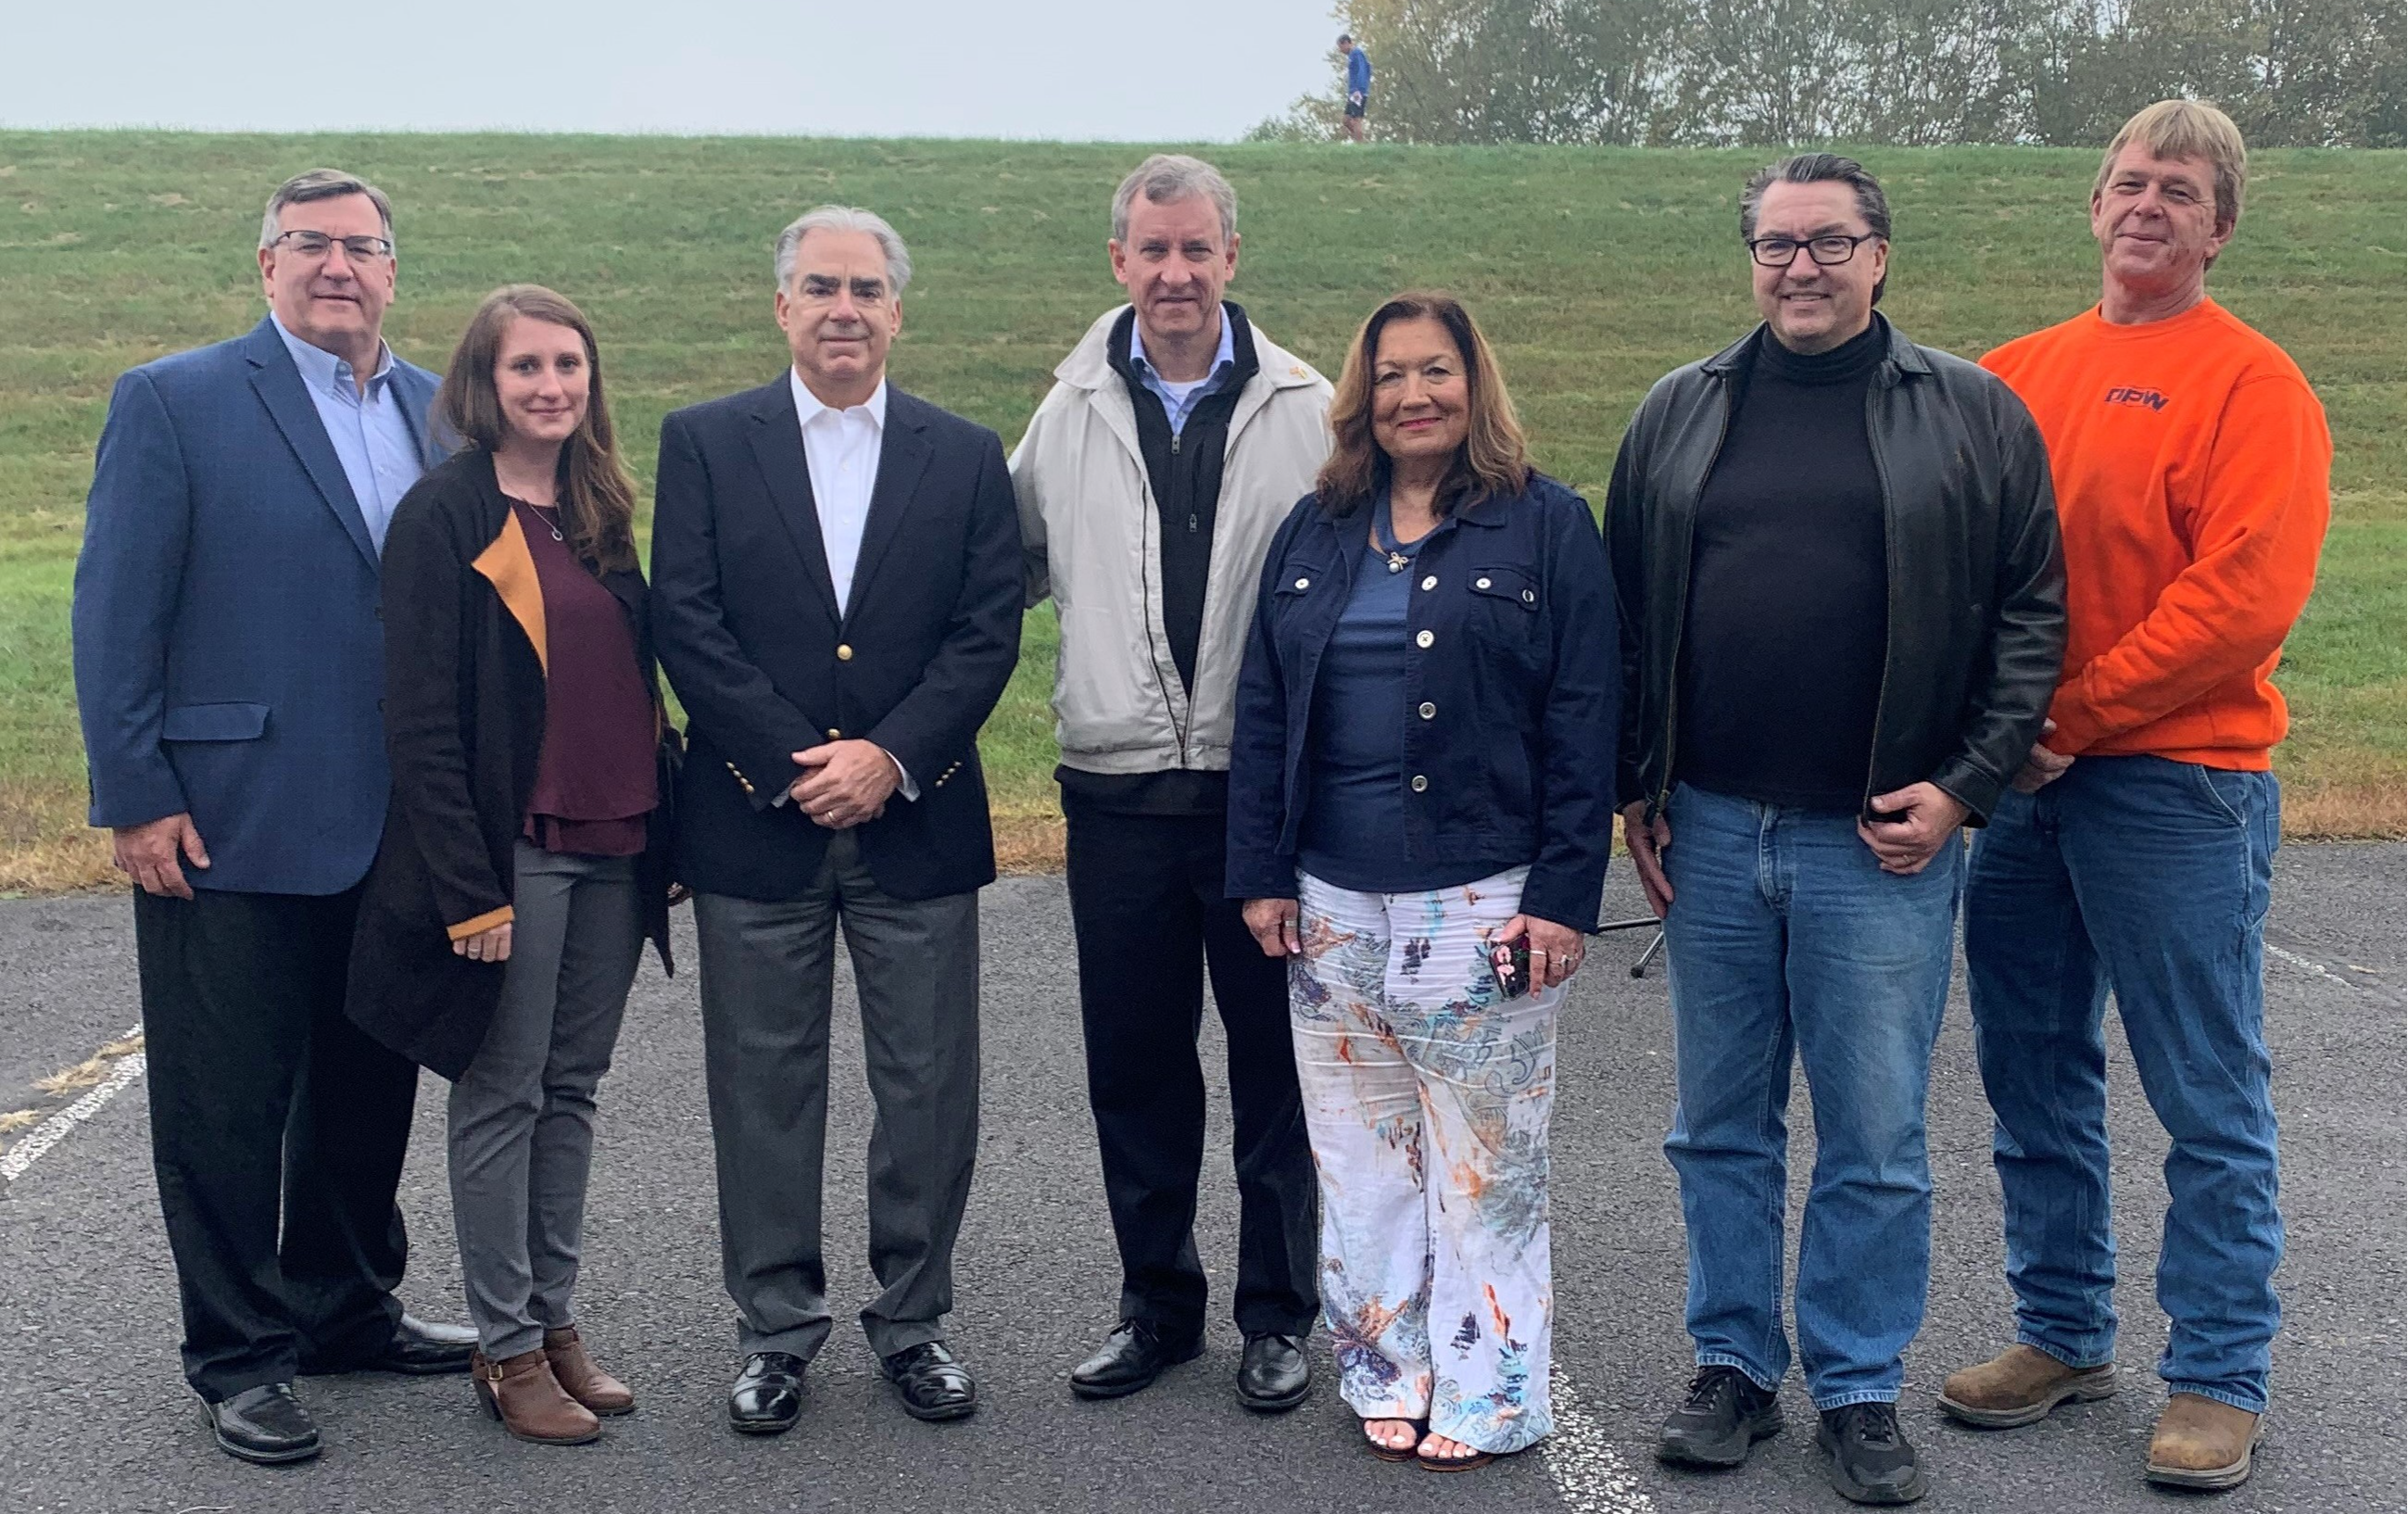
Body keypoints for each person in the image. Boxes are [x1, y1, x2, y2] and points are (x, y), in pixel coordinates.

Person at [1607, 153, 2064, 1505]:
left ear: (1878, 255)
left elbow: (2028, 611)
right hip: (1707, 825)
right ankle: (1732, 1368)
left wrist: (1965, 784)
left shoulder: (1970, 412)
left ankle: (1857, 1388)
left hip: (1878, 843)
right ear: (1745, 256)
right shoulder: (1678, 411)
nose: (1795, 267)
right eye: (1771, 244)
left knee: (1871, 1132)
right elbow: (1626, 614)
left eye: (1825, 242)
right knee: (1718, 1126)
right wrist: (1635, 784)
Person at [1940, 100, 2331, 1494]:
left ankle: (2217, 1372)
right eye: (2125, 181)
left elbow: (2235, 601)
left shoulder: (2252, 386)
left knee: (2203, 1090)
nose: (2145, 203)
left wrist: (2062, 717)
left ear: (2217, 224)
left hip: (2174, 783)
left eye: (2177, 188)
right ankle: (2058, 1330)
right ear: (2092, 205)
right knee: (2029, 1069)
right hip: (2027, 794)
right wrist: (1985, 736)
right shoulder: (2006, 376)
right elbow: (1949, 572)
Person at [70, 169, 475, 1467]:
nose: (339, 265)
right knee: (225, 1103)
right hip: (227, 819)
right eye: (311, 244)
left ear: (394, 273)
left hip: (396, 824)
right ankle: (241, 1355)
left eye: (363, 247)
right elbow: (116, 608)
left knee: (367, 1087)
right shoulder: (175, 400)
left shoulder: (438, 413)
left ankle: (344, 1304)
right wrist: (136, 794)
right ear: (266, 265)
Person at [1228, 291, 1618, 1471]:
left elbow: (1586, 716)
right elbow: (1261, 709)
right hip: (1330, 902)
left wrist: (1560, 892)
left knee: (1482, 1164)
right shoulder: (1315, 529)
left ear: (1473, 382)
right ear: (1363, 396)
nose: (1414, 395)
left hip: (1482, 900)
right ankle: (1383, 1366)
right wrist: (1260, 872)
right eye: (1391, 374)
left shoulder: (1545, 526)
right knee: (1358, 1159)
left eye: (1436, 370)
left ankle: (1493, 1387)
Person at [650, 206, 1022, 1433]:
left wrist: (890, 757)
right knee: (763, 1088)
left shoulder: (964, 454)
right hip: (757, 821)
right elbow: (687, 622)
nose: (843, 308)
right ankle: (774, 1330)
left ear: (898, 310)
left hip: (913, 821)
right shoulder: (704, 442)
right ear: (782, 307)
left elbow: (985, 632)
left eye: (866, 287)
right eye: (820, 286)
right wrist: (794, 760)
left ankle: (914, 1323)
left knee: (927, 1089)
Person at [1011, 154, 1332, 1411]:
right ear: (1117, 263)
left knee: (1273, 1066)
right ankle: (1155, 1305)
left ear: (1231, 256)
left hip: (1260, 802)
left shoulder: (1307, 405)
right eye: (1151, 250)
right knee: (1134, 1064)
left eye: (1196, 248)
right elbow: (1004, 572)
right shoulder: (1068, 410)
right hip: (1114, 794)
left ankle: (1275, 1311)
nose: (1174, 272)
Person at [346, 285, 680, 1445]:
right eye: (526, 366)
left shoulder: (599, 508)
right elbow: (421, 720)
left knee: (572, 1092)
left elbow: (631, 681)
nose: (550, 386)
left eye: (569, 365)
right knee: (503, 1093)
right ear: (482, 386)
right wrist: (465, 885)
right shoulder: (442, 513)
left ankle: (555, 1316)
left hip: (617, 841)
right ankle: (505, 1345)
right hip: (513, 856)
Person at [1338, 34, 1372, 144]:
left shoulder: (1357, 53)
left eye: (1340, 47)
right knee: (1346, 120)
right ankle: (1362, 141)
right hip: (1353, 92)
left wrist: (1358, 90)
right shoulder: (1352, 56)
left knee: (1357, 119)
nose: (1340, 50)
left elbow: (1362, 71)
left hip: (1358, 92)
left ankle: (1360, 145)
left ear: (1346, 43)